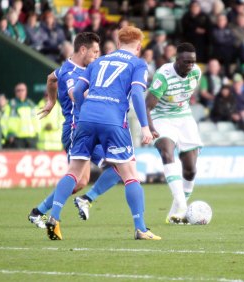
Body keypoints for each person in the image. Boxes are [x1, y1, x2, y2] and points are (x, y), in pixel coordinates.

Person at [44, 26, 161, 240]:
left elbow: (78, 91)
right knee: (130, 175)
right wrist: (145, 126)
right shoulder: (137, 63)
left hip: (86, 119)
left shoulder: (98, 61)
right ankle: (141, 228)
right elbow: (136, 92)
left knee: (74, 171)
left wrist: (83, 112)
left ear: (117, 44)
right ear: (138, 46)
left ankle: (55, 218)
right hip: (113, 121)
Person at [28, 32, 120, 229]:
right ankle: (42, 213)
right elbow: (74, 94)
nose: (97, 55)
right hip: (75, 130)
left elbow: (51, 78)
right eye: (95, 52)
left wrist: (52, 101)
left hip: (90, 128)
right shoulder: (71, 73)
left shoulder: (68, 68)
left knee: (104, 173)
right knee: (80, 178)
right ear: (83, 49)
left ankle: (49, 209)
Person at [145, 42, 202, 224]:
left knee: (191, 169)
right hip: (161, 117)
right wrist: (151, 128)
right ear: (177, 60)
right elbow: (147, 106)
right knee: (167, 152)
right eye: (186, 62)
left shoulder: (196, 73)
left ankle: (173, 213)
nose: (190, 66)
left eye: (192, 62)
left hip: (184, 117)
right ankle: (182, 205)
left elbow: (184, 98)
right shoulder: (164, 75)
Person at [2, 83, 39, 148]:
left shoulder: (31, 105)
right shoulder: (10, 105)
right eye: (18, 90)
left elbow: (37, 120)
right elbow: (3, 122)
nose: (20, 92)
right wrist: (8, 135)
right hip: (16, 139)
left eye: (22, 90)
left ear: (26, 91)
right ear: (15, 92)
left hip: (31, 138)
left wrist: (37, 133)